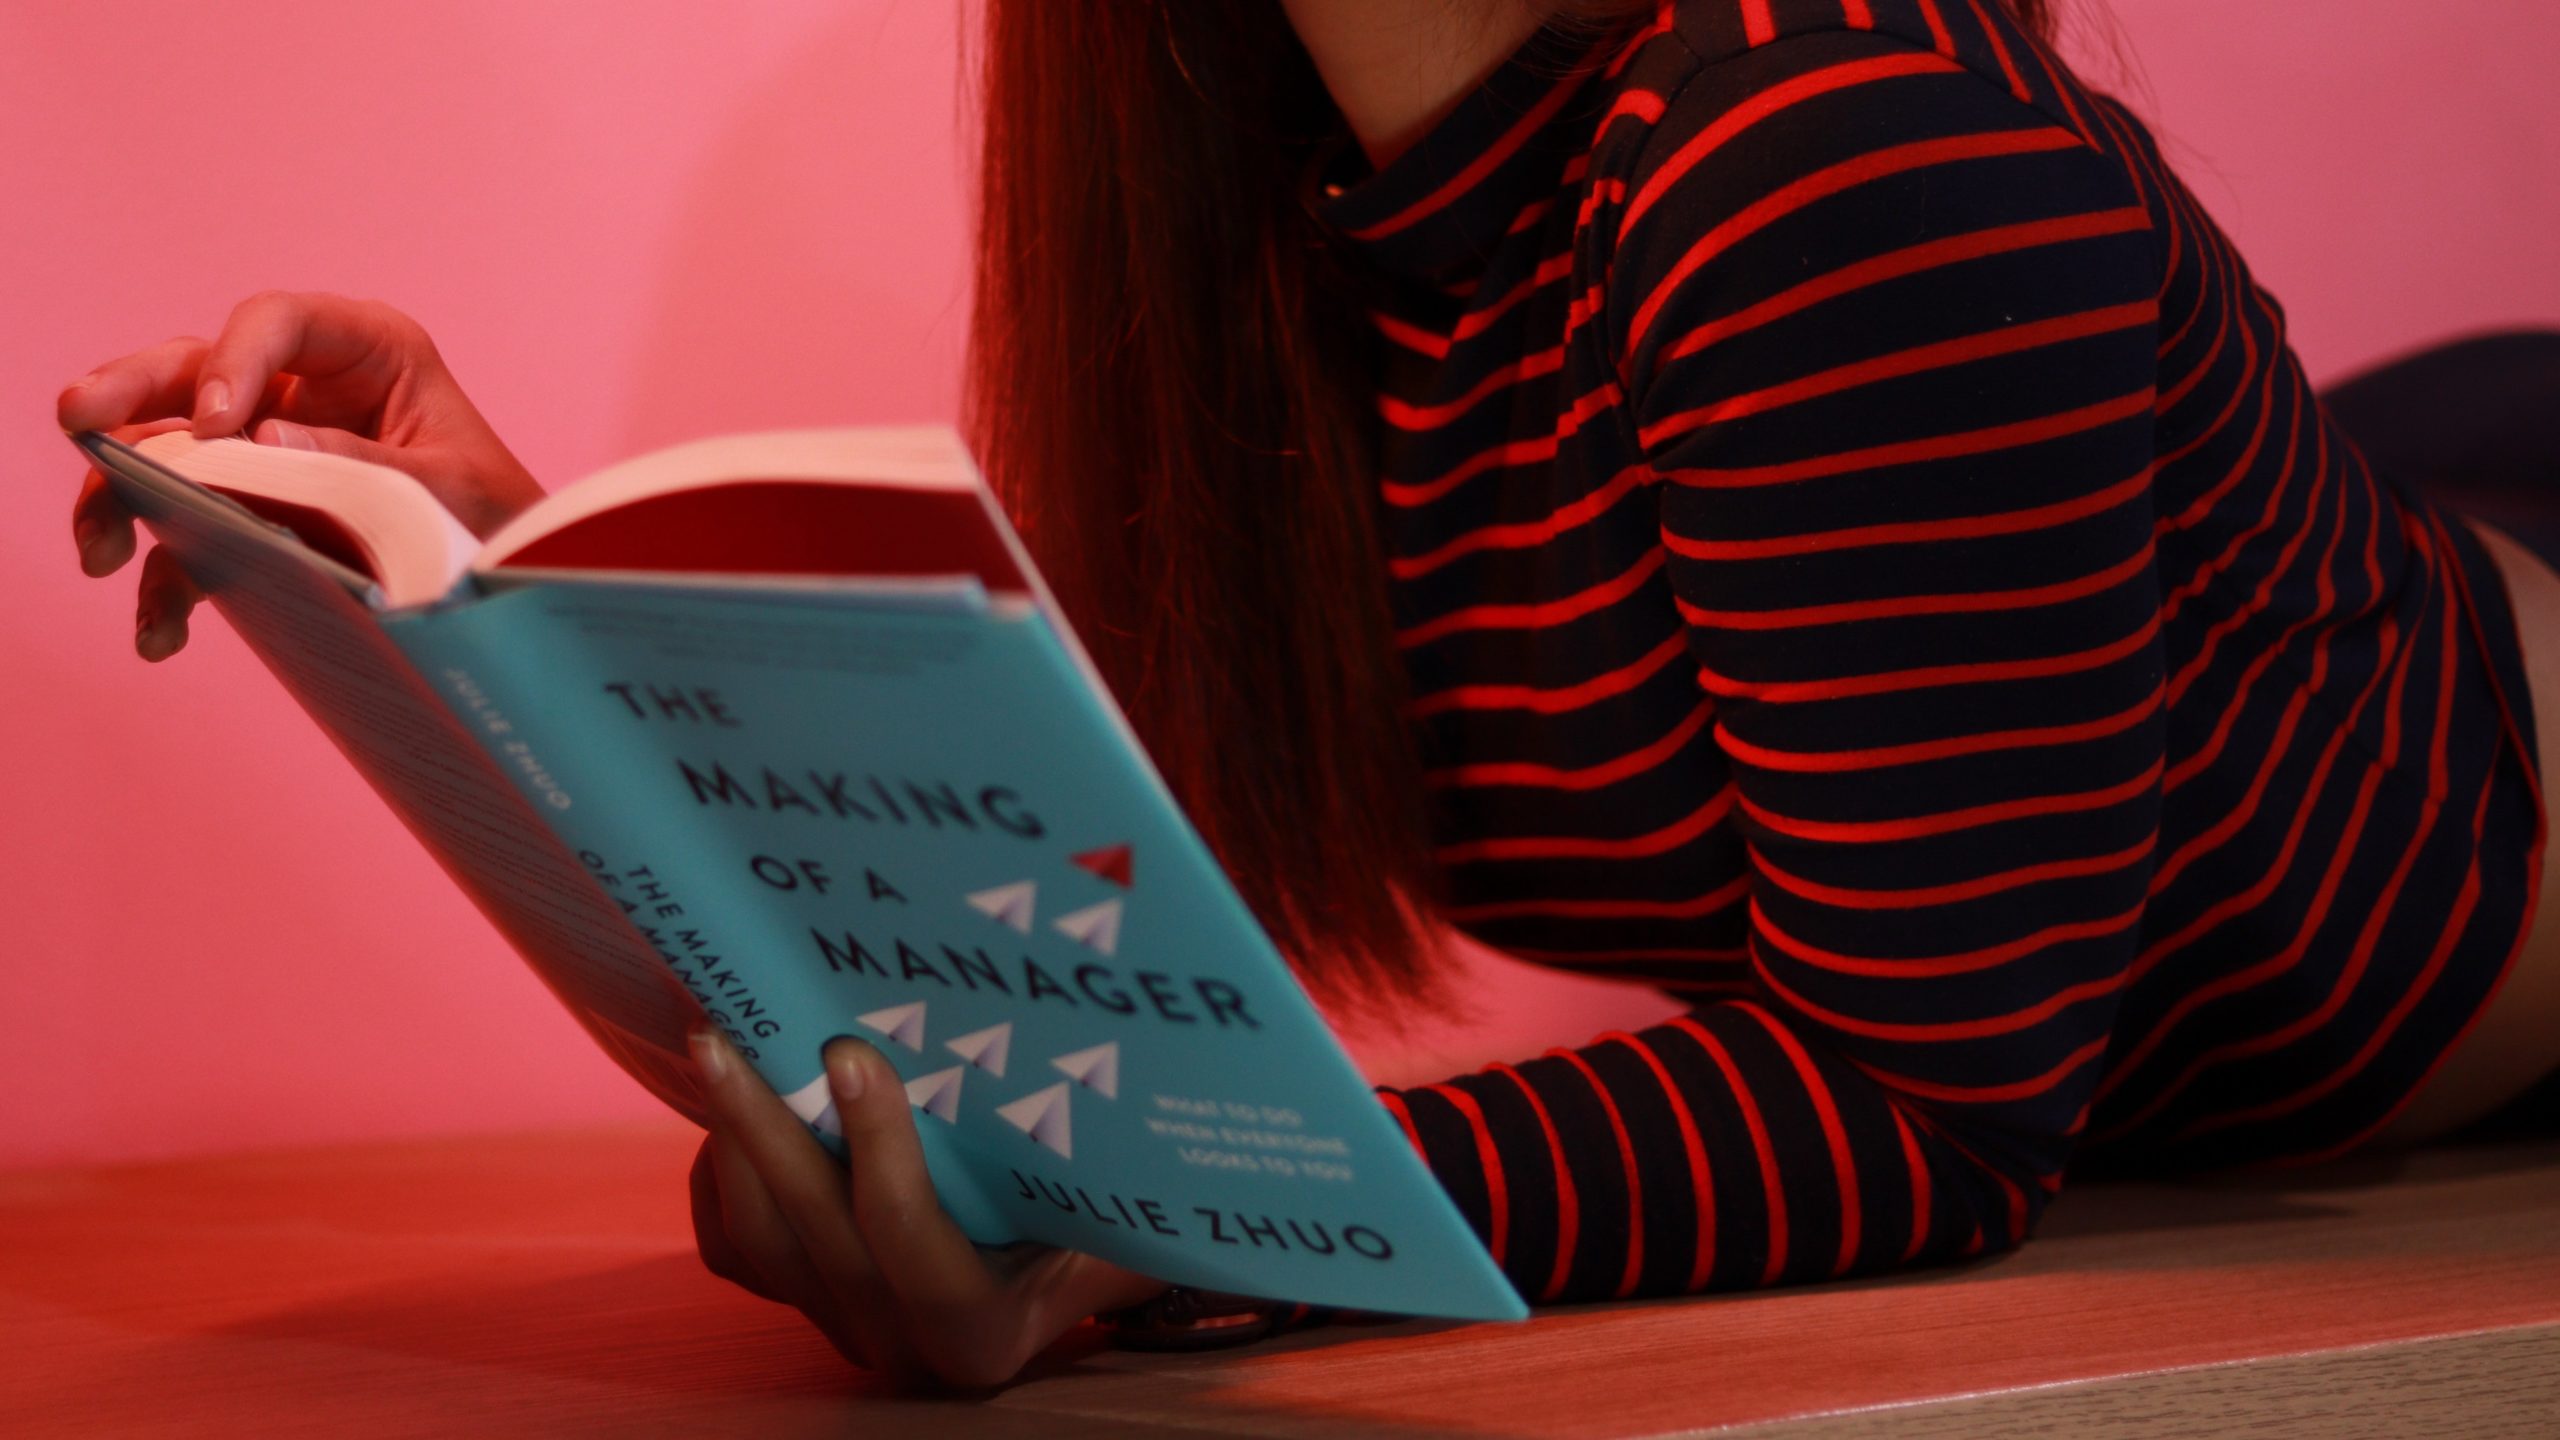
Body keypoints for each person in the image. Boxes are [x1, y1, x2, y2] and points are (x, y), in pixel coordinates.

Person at [57, 0, 2560, 1391]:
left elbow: (1925, 1108)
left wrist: (1147, 1245)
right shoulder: (1263, 222)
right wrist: (509, 599)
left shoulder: (1825, 148)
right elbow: (1053, 938)